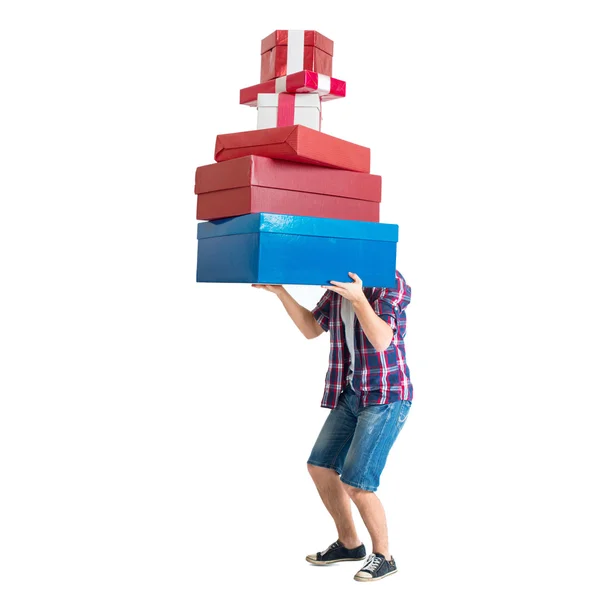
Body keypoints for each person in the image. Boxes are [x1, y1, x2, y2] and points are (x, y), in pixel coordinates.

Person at [252, 269, 413, 583]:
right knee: (320, 465)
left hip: (386, 396)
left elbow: (382, 340)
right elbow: (312, 328)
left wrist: (358, 298)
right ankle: (350, 544)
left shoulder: (388, 281)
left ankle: (384, 557)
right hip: (352, 392)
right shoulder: (335, 285)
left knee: (358, 484)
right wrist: (281, 291)